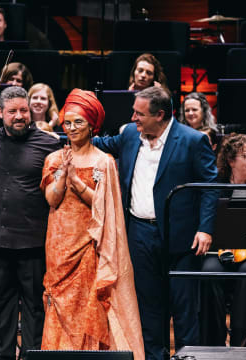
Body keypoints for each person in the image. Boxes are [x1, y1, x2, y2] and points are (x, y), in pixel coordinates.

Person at [92, 86, 218, 360]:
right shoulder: (129, 135)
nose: (133, 118)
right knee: (148, 308)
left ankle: (187, 358)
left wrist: (205, 227)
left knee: (184, 310)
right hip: (138, 233)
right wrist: (59, 136)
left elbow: (210, 186)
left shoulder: (192, 140)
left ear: (159, 115)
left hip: (181, 239)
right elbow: (100, 145)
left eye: (139, 114)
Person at [40, 89, 144, 358]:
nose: (72, 128)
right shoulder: (53, 159)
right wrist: (64, 174)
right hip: (59, 246)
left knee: (90, 305)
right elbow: (52, 199)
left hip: (91, 244)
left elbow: (104, 204)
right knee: (58, 305)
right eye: (68, 122)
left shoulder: (104, 161)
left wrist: (77, 181)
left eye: (79, 122)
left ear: (92, 126)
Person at [0, 86, 61, 360]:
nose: (19, 116)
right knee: (0, 304)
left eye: (23, 110)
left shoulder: (49, 144)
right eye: (13, 111)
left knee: (34, 305)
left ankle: (32, 355)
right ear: (0, 113)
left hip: (34, 239)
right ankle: (1, 355)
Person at [199, 133, 246, 347]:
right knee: (209, 271)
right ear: (230, 161)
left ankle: (242, 339)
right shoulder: (216, 186)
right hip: (221, 251)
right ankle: (214, 340)